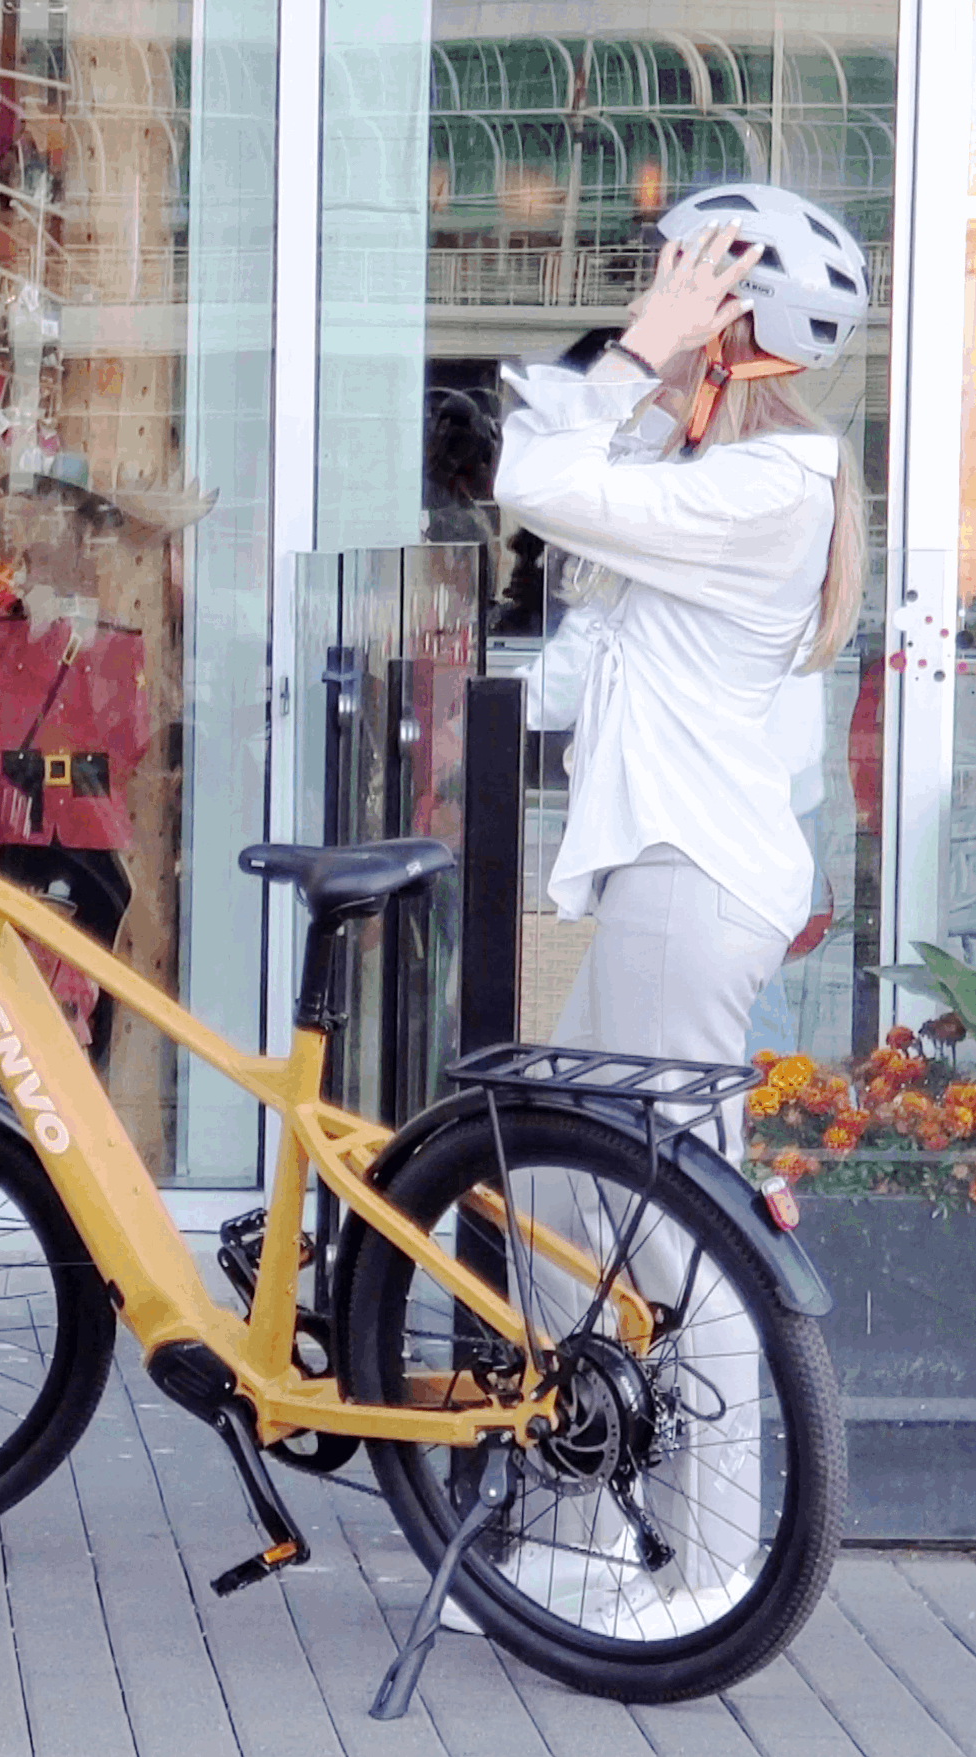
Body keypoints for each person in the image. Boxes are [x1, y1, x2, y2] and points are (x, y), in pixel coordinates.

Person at [484, 183, 869, 1634]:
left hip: (693, 885)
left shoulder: (773, 486)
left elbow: (534, 477)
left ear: (735, 323)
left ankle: (707, 1572)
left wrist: (645, 347)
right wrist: (651, 375)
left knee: (676, 1228)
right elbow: (564, 495)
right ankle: (586, 1535)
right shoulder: (720, 469)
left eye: (683, 286)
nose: (649, 306)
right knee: (553, 1190)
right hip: (670, 877)